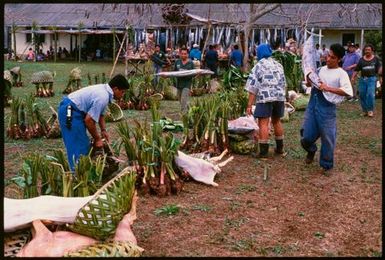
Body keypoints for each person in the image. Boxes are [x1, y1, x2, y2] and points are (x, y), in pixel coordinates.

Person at [58, 74, 129, 171]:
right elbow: (89, 121)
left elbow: (100, 114)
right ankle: (78, 175)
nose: (123, 95)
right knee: (79, 146)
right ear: (116, 89)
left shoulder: (105, 91)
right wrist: (98, 139)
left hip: (74, 109)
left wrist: (103, 130)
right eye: (122, 92)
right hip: (70, 112)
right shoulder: (102, 96)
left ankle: (82, 172)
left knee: (83, 144)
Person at [300, 43, 353, 174]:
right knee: (305, 136)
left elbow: (348, 91)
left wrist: (328, 88)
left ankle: (326, 164)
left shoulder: (341, 73)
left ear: (339, 59)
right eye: (328, 56)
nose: (328, 59)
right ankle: (311, 150)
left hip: (327, 108)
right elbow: (309, 84)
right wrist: (308, 79)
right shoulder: (320, 69)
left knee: (328, 138)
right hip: (313, 105)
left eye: (332, 57)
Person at [245, 43, 287, 159]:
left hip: (265, 97)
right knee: (276, 121)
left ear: (259, 53)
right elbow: (284, 83)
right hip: (279, 97)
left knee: (263, 122)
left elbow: (252, 87)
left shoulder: (258, 66)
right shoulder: (278, 65)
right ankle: (280, 149)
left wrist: (249, 105)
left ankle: (263, 153)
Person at [351, 44, 382, 117]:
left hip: (372, 79)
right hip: (362, 79)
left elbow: (379, 70)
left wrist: (381, 78)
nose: (367, 51)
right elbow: (356, 69)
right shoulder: (361, 59)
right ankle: (365, 111)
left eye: (369, 50)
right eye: (366, 50)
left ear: (372, 51)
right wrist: (353, 77)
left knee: (370, 94)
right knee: (362, 95)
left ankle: (370, 110)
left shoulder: (376, 59)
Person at [173, 47, 194, 113]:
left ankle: (184, 117)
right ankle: (190, 111)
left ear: (187, 54)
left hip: (187, 85)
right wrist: (166, 76)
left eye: (185, 54)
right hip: (179, 85)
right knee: (181, 101)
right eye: (182, 54)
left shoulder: (190, 63)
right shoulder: (177, 62)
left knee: (183, 101)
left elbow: (193, 73)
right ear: (179, 54)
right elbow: (174, 73)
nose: (183, 55)